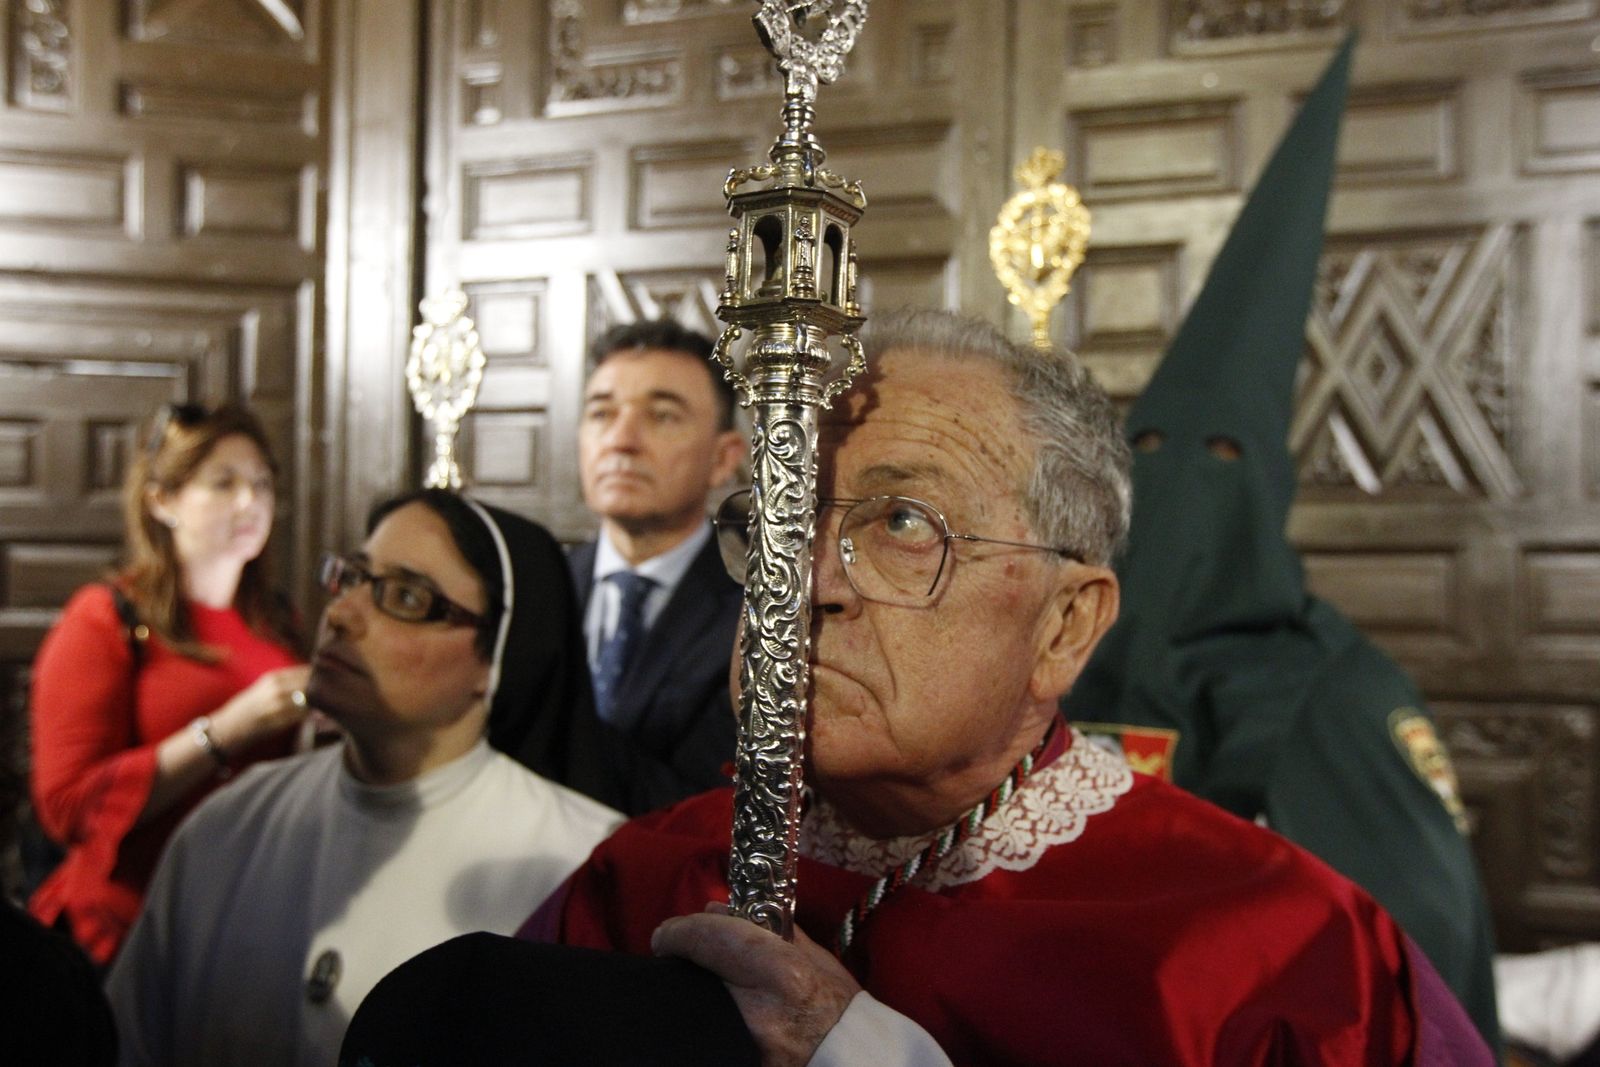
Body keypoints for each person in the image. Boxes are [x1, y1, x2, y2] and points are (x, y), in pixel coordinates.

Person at [344, 309, 1494, 1066]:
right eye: (785, 520)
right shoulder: (641, 877)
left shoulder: (1277, 948)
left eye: (901, 522)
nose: (807, 585)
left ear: (1065, 624)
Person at [1059, 35, 1501, 1049]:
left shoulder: (1340, 689)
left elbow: (1425, 949)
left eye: (1220, 457)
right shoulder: (1059, 656)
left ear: (1267, 492)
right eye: (1149, 450)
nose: (1181, 484)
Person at [106, 489, 623, 1067]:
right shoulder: (227, 825)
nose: (341, 614)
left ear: (495, 659)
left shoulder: (578, 863)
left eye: (405, 597)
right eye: (351, 577)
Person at [27, 402, 310, 965]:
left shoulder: (278, 622)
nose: (250, 502)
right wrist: (226, 730)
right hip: (125, 931)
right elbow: (66, 805)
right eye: (223, 483)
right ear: (162, 501)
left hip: (244, 924)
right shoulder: (105, 618)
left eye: (261, 484)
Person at [572, 319, 746, 813]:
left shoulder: (756, 607)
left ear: (723, 458)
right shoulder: (537, 587)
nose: (621, 440)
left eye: (663, 416)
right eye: (601, 413)